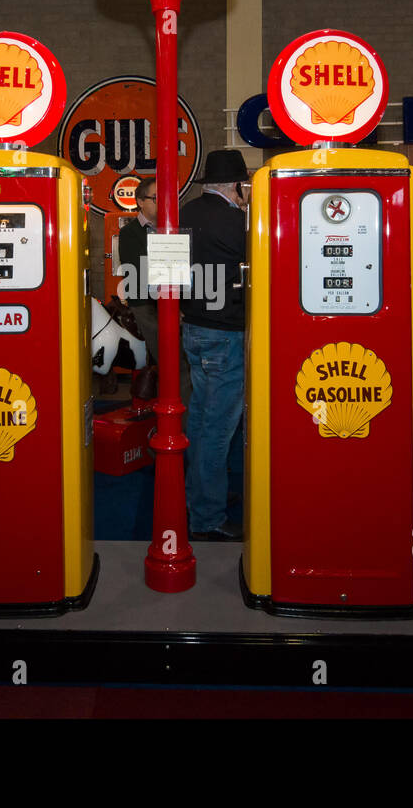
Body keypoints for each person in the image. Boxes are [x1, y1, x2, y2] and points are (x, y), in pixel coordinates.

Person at [180, 149, 249, 542]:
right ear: (236, 186)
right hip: (227, 333)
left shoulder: (185, 213)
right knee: (218, 428)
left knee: (201, 419)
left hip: (193, 328)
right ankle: (207, 516)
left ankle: (203, 495)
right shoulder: (239, 223)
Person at [116, 177, 159, 353]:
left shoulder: (171, 228)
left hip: (169, 299)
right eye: (155, 198)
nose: (161, 202)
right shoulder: (129, 232)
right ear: (141, 202)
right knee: (164, 351)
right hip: (144, 302)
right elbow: (138, 271)